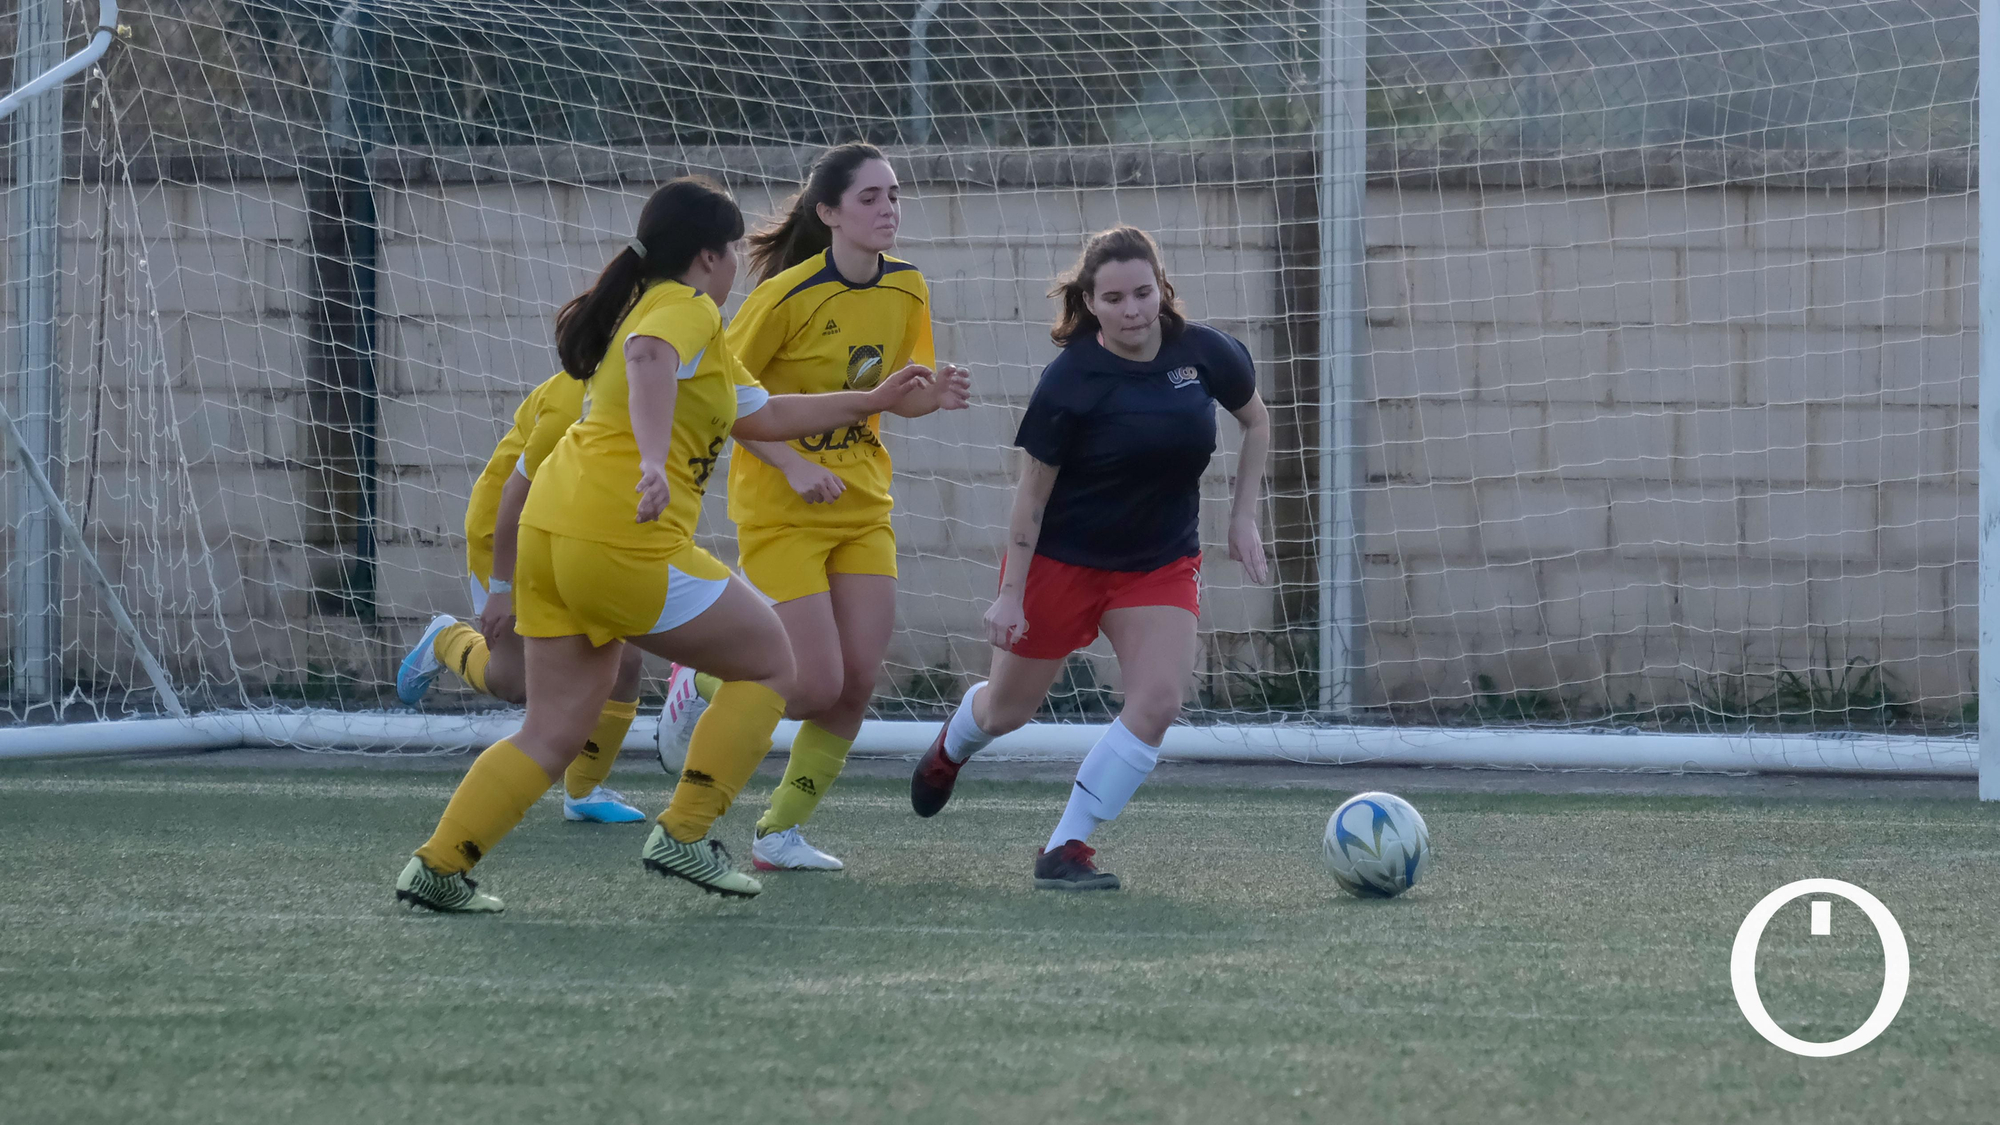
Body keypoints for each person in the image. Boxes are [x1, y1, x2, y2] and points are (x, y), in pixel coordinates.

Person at [393, 176, 970, 913]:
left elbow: (764, 414)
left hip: (551, 537)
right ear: (708, 256)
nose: (736, 266)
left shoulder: (669, 315)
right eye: (732, 250)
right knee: (773, 662)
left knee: (550, 730)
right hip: (618, 534)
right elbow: (648, 360)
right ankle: (686, 831)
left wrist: (873, 399)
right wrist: (651, 461)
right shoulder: (685, 307)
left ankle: (438, 865)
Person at [907, 225, 1270, 891]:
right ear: (1090, 302)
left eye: (1143, 293)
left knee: (1158, 702)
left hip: (1158, 563)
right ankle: (954, 742)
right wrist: (1011, 595)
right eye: (1114, 298)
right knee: (1005, 712)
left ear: (1162, 290)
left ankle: (1065, 846)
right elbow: (1031, 498)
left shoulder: (1205, 353)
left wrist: (1242, 516)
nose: (1132, 310)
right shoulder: (1070, 379)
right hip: (1061, 563)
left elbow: (1257, 419)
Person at [656, 142, 965, 873]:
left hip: (864, 506)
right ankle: (697, 681)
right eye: (870, 197)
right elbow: (723, 399)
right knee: (811, 685)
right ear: (827, 213)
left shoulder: (908, 286)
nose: (888, 209)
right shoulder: (784, 296)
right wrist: (794, 466)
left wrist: (928, 396)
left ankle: (778, 834)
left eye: (894, 195)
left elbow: (887, 393)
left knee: (855, 684)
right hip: (783, 509)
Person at [394, 371, 648, 825]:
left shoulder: (654, 388)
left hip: (576, 536)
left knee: (625, 661)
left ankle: (584, 791)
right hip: (507, 537)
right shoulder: (573, 406)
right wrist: (500, 589)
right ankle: (447, 640)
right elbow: (515, 495)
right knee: (515, 684)